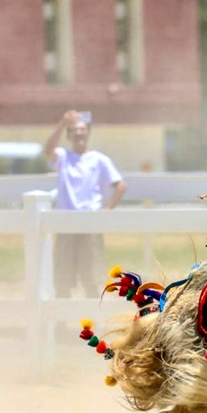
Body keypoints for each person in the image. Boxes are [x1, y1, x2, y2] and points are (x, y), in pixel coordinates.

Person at [43, 110, 127, 299]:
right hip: (66, 224)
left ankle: (93, 316)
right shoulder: (63, 157)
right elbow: (48, 150)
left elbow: (120, 185)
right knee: (63, 278)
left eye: (82, 130)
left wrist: (107, 209)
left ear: (88, 133)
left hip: (90, 224)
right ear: (69, 136)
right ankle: (63, 317)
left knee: (91, 278)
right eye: (74, 130)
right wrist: (62, 124)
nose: (79, 133)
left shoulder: (99, 160)